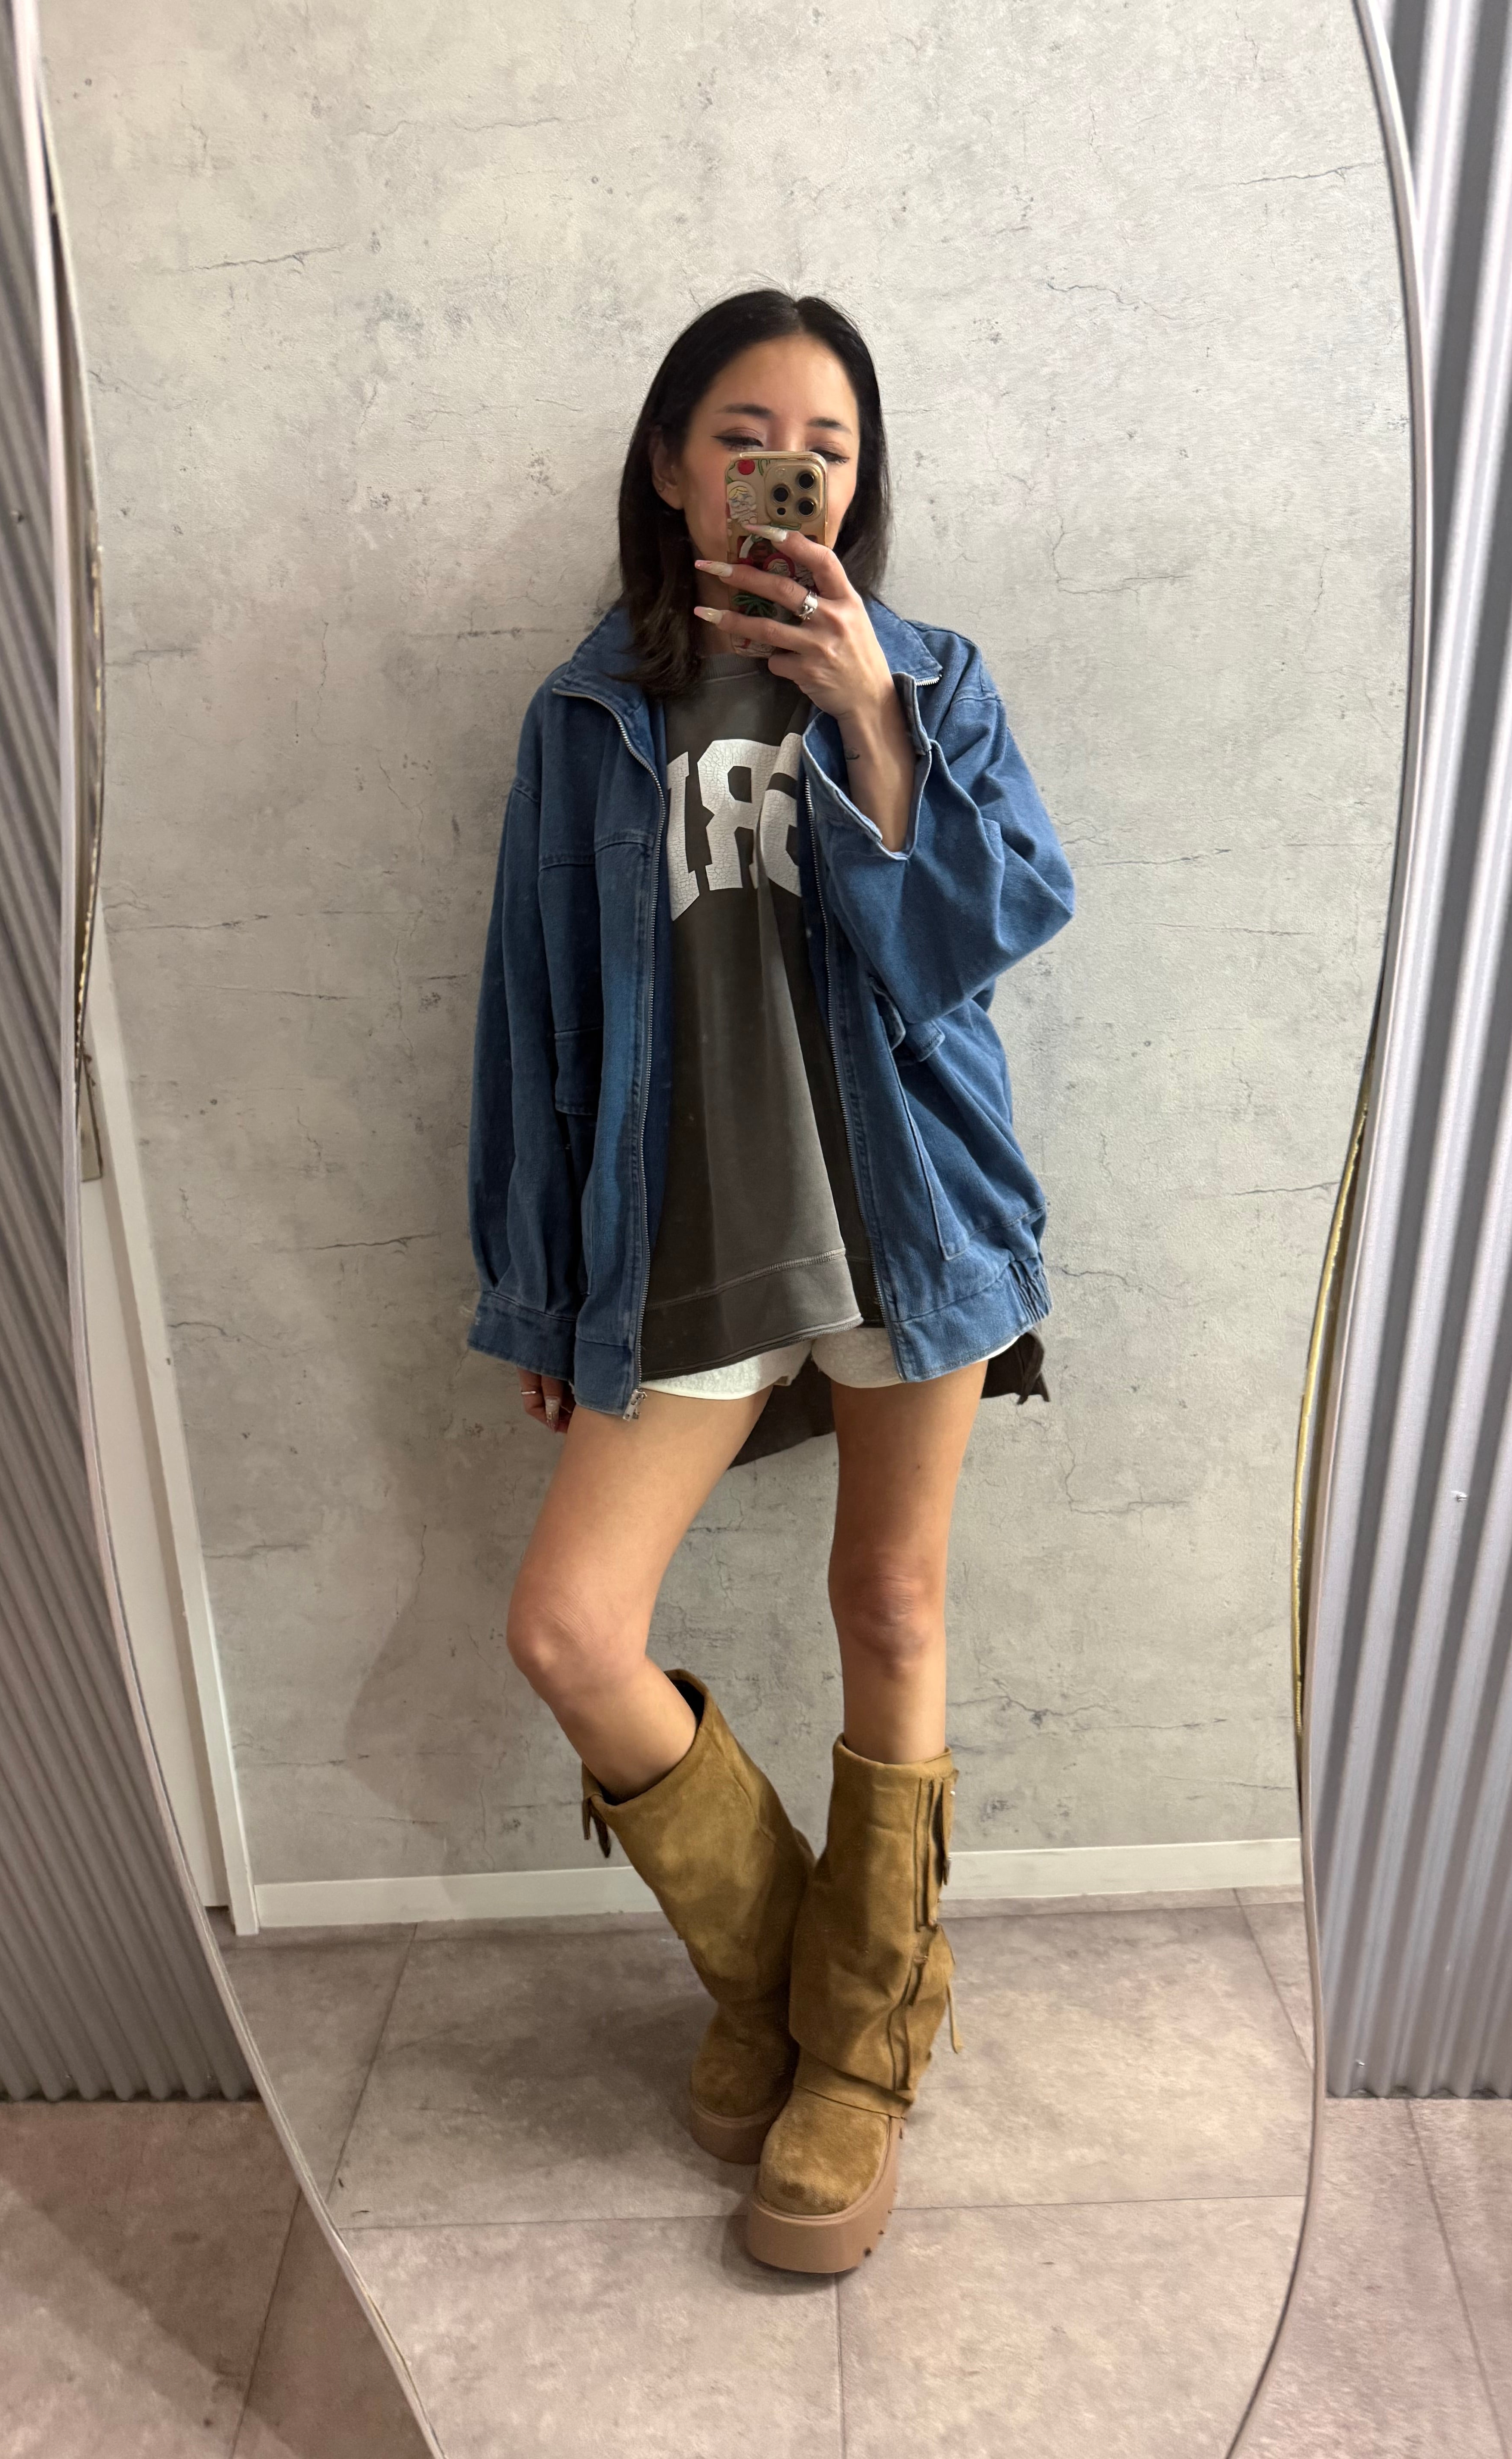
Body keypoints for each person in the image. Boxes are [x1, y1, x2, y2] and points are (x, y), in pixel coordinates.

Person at [464, 288, 1074, 2273]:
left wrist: (871, 717)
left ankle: (858, 2049)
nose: (784, 472)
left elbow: (982, 934)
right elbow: (536, 1017)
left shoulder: (933, 678)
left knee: (890, 1599)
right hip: (685, 1244)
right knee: (571, 1629)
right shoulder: (584, 719)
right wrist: (541, 1284)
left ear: (859, 483)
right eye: (742, 437)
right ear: (669, 465)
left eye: (825, 445)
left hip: (911, 1217)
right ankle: (808, 1978)